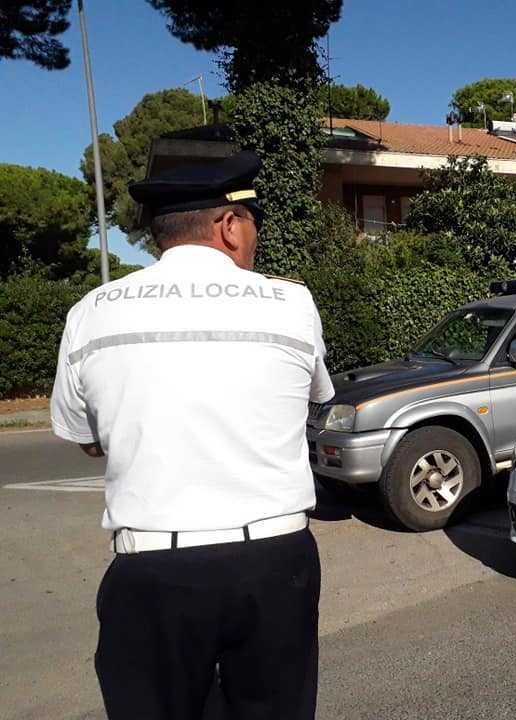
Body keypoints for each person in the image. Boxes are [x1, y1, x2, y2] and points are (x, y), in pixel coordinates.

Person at [50, 151, 335, 720]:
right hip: (275, 565)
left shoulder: (91, 310)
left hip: (154, 570)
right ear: (229, 226)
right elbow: (313, 399)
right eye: (252, 221)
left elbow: (85, 437)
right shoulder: (293, 303)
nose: (254, 236)